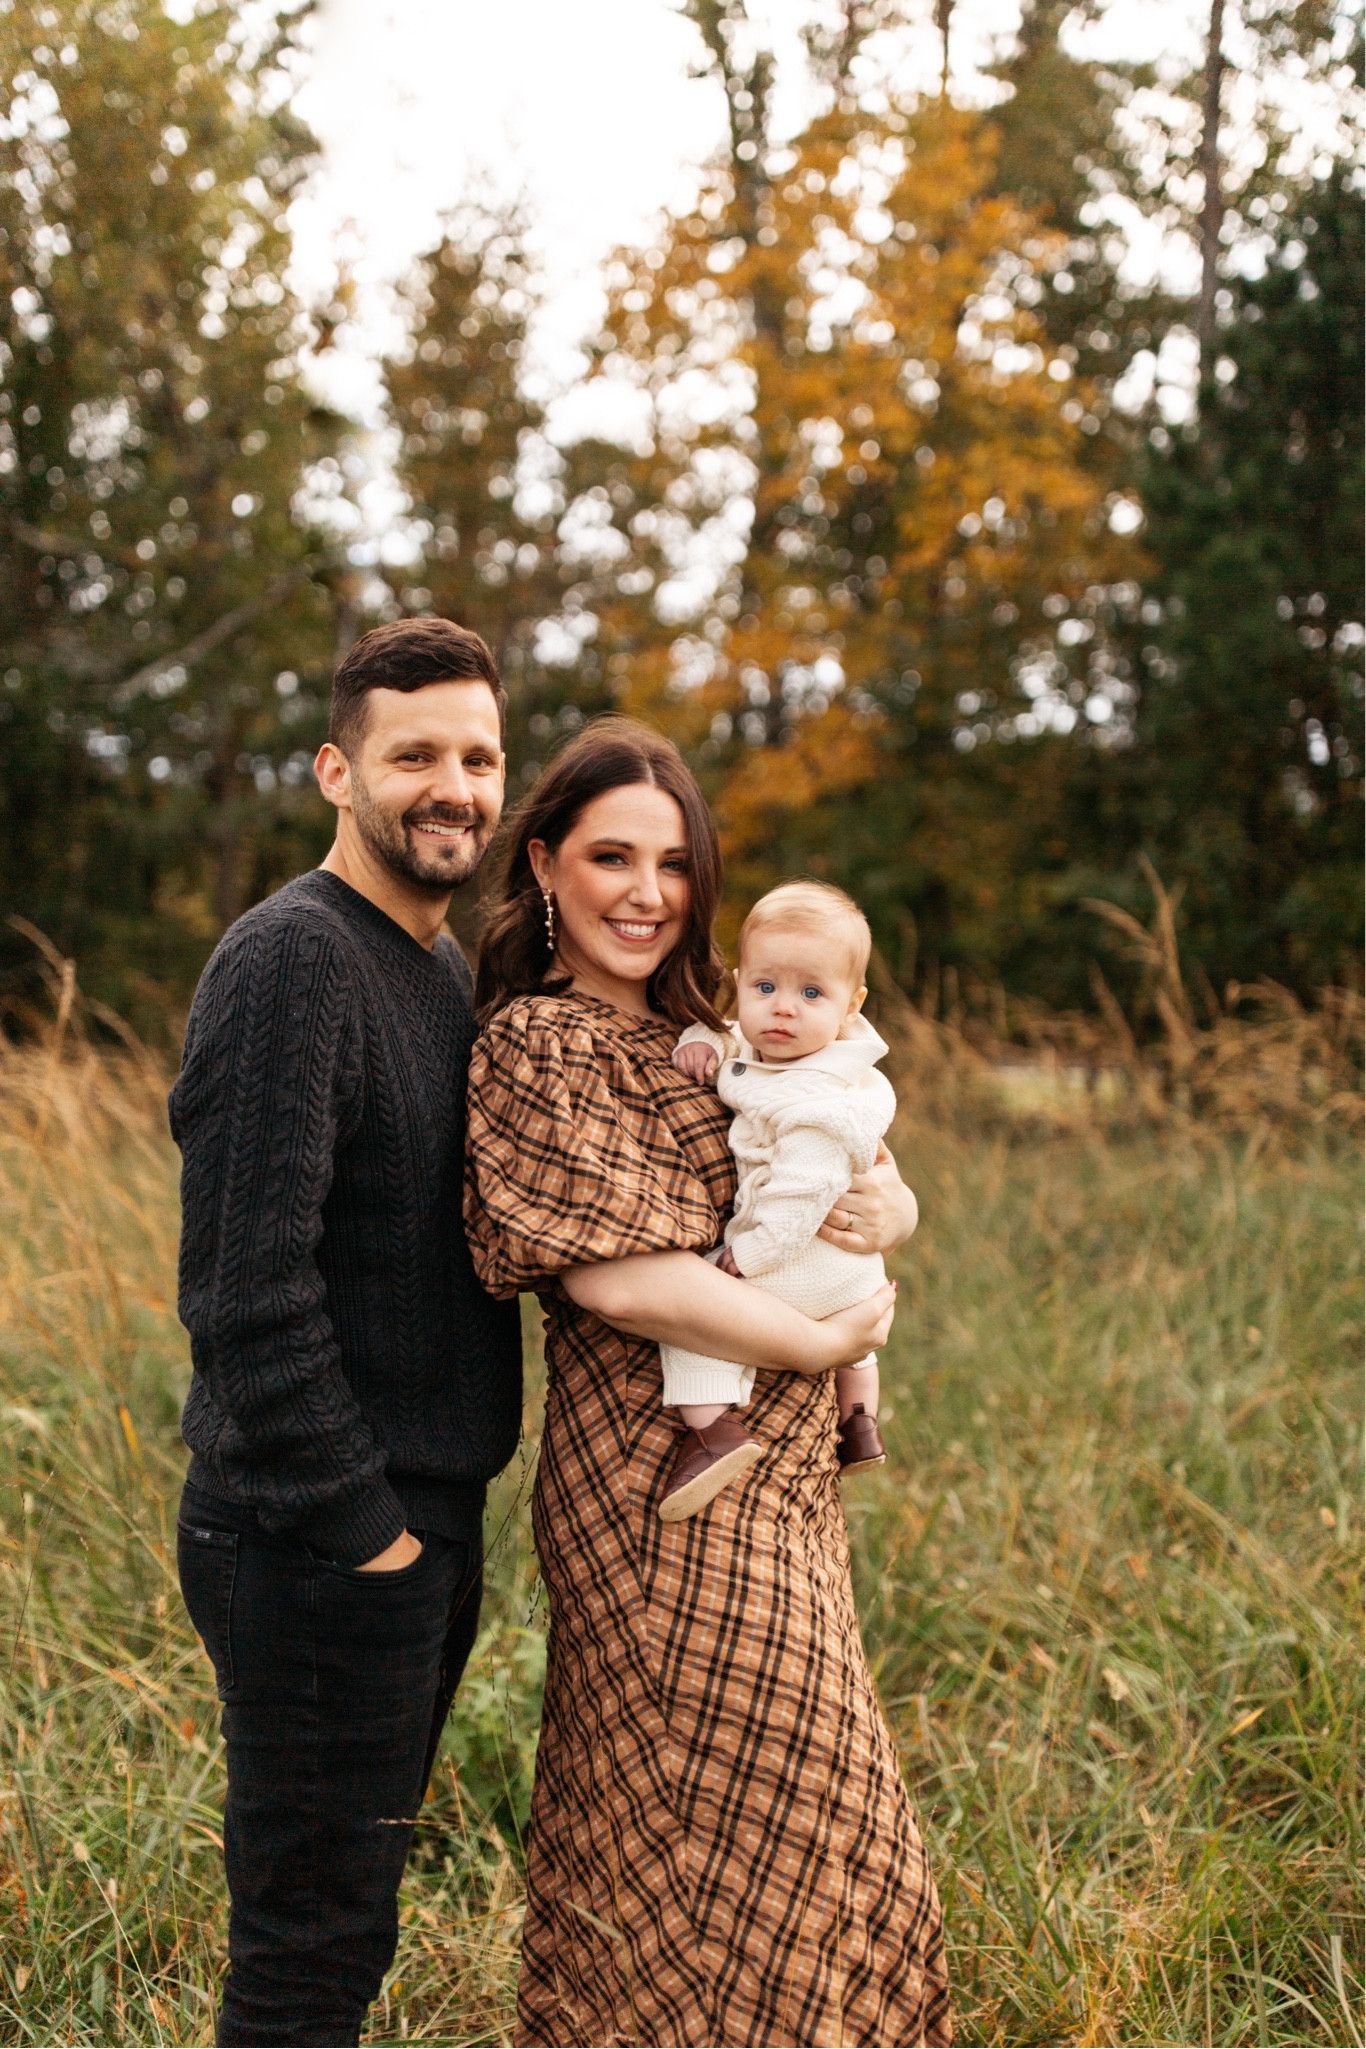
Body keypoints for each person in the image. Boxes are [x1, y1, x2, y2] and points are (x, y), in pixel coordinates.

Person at [464, 717, 951, 2049]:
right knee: (734, 1818)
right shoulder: (538, 1044)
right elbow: (620, 1279)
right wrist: (816, 1343)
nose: (644, 890)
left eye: (673, 863)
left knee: (813, 1810)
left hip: (782, 1481)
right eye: (609, 854)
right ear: (546, 863)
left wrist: (890, 1216)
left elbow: (858, 1153)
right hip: (654, 1484)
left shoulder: (725, 1028)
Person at [170, 617, 523, 2048]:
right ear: (336, 770)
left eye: (480, 756)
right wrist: (367, 1539)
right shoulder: (292, 960)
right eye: (414, 754)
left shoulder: (435, 970)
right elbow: (244, 1295)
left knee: (347, 1926)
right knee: (306, 1958)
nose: (453, 786)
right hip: (319, 1542)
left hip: (416, 1527)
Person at [658, 878, 895, 1522]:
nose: (782, 1009)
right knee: (859, 1345)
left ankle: (712, 1431)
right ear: (740, 983)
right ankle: (860, 1419)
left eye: (811, 993)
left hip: (803, 1254)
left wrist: (749, 1255)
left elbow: (802, 1195)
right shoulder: (782, 1045)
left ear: (853, 1005)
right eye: (766, 988)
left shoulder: (817, 1101)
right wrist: (697, 1043)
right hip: (855, 1277)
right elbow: (732, 1041)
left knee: (698, 1317)